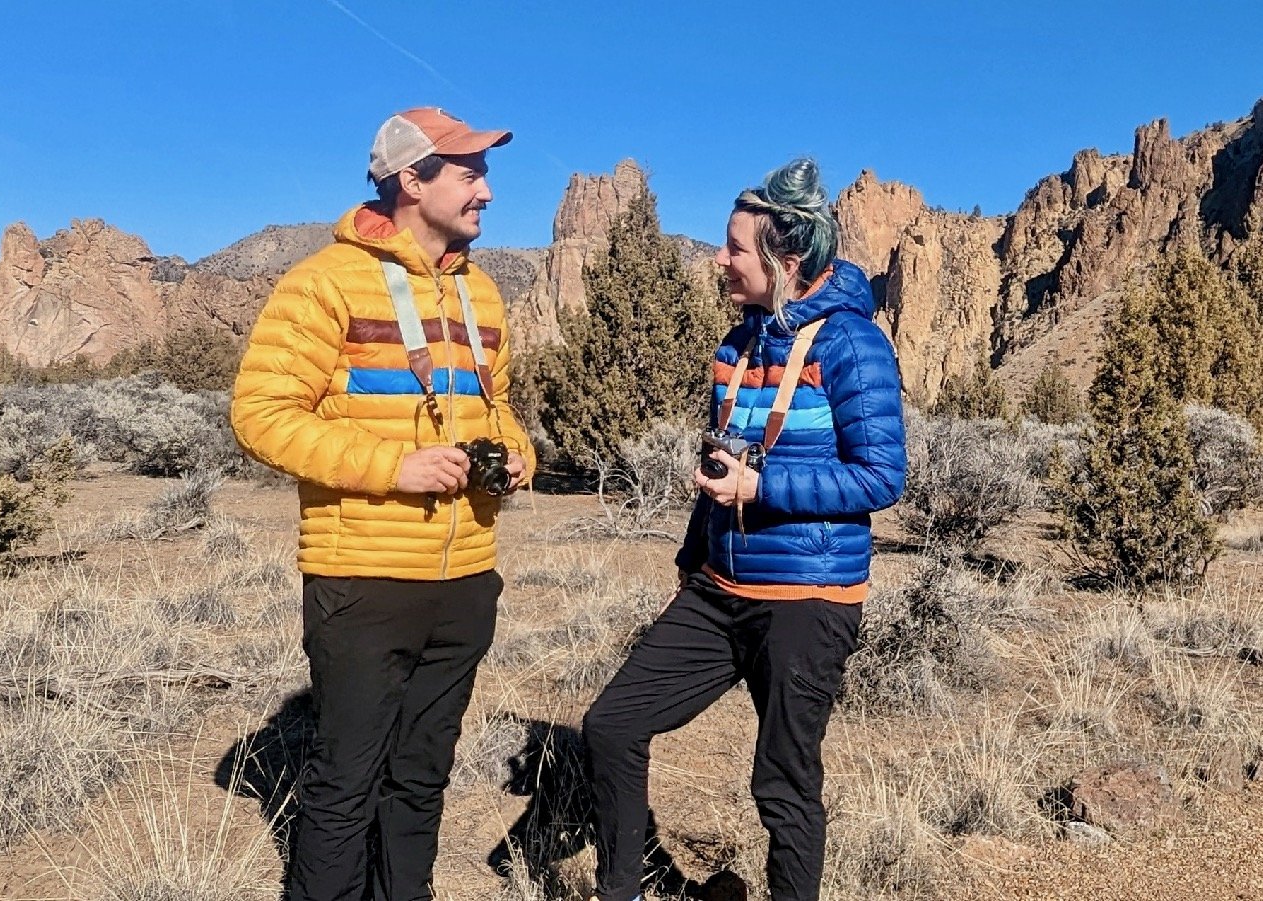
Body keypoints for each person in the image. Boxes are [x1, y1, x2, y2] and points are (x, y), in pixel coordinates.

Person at [230, 106, 535, 901]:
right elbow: (260, 414)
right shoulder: (323, 282)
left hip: (466, 578)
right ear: (411, 179)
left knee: (422, 776)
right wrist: (392, 468)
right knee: (344, 784)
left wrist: (517, 456)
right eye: (469, 174)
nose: (486, 193)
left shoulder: (486, 295)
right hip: (362, 579)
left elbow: (495, 407)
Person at [582, 157, 906, 901]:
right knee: (611, 725)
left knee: (783, 783)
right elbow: (721, 463)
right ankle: (622, 891)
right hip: (719, 588)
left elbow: (881, 476)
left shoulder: (850, 346)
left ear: (785, 260)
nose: (717, 259)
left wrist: (763, 485)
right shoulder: (738, 346)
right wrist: (694, 554)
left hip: (807, 598)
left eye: (733, 248)